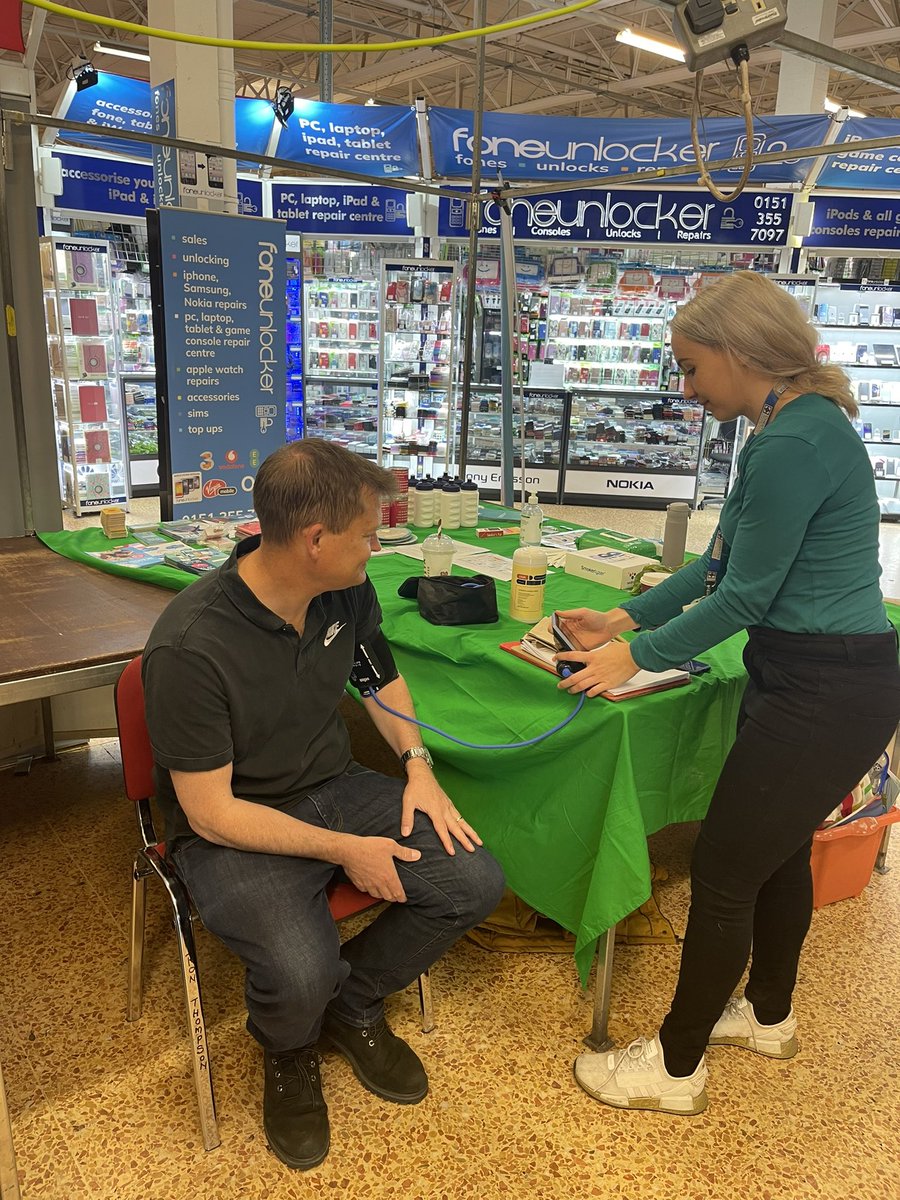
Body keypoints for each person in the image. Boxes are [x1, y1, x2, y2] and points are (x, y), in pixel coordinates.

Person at [556, 271, 900, 1117]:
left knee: (722, 870)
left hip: (828, 685)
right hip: (807, 675)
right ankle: (769, 1016)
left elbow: (742, 600)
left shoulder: (793, 441)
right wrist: (622, 616)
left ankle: (675, 1070)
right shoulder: (781, 427)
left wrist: (634, 656)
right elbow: (716, 571)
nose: (686, 387)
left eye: (691, 367)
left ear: (742, 354)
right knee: (776, 853)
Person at [141, 440, 504, 1169]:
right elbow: (210, 813)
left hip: (335, 787)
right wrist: (343, 850)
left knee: (473, 882)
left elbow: (380, 680)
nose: (379, 544)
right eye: (368, 534)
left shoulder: (343, 591)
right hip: (236, 825)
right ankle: (290, 1047)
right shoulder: (191, 644)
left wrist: (418, 767)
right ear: (314, 540)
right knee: (297, 967)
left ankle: (352, 1001)